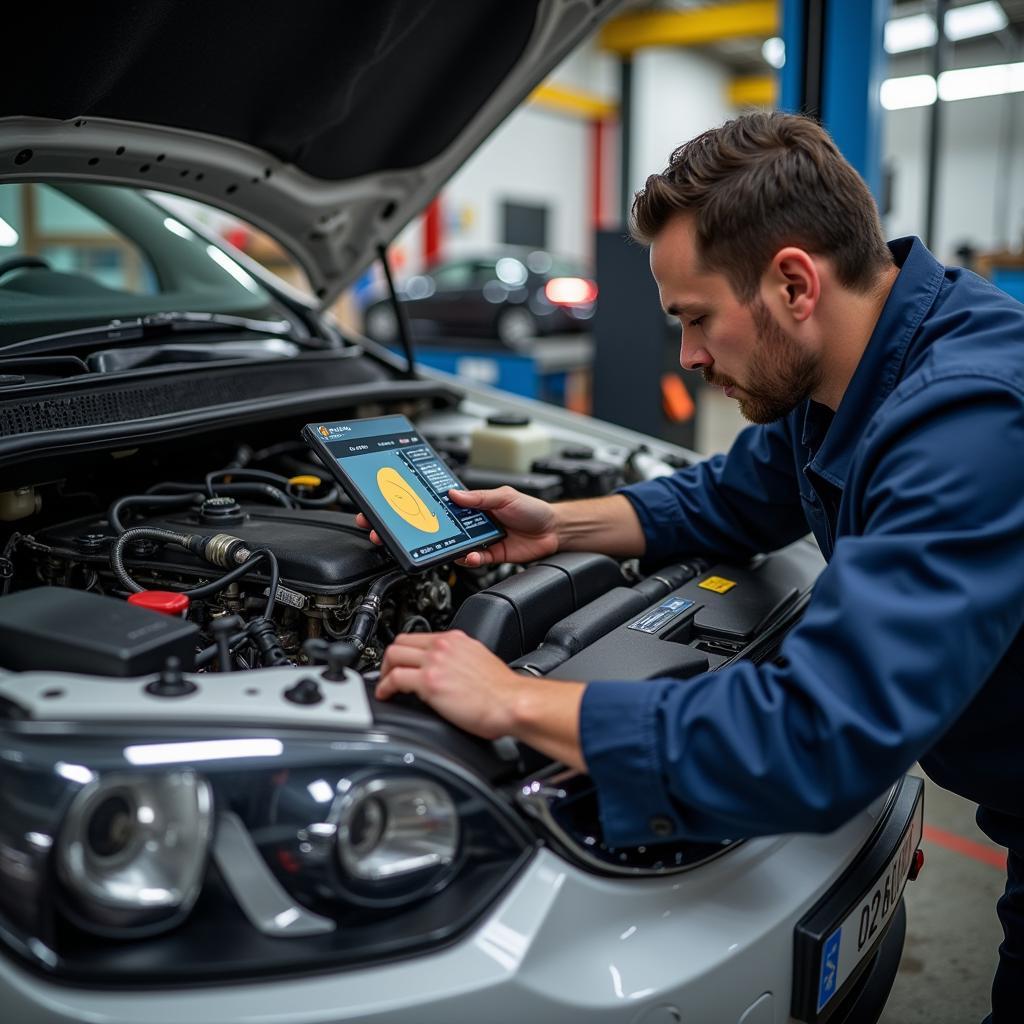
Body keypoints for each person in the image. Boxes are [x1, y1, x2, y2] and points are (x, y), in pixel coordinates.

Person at [357, 112, 1024, 1020]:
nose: (690, 357)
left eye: (697, 318)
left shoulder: (969, 422)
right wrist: (556, 527)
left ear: (794, 281)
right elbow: (728, 496)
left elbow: (814, 736)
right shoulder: (852, 368)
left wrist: (513, 698)